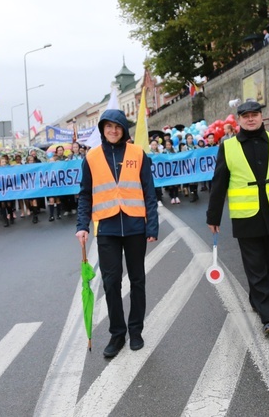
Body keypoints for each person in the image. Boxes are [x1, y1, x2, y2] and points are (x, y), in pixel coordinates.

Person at [206, 101, 269, 335]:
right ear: (238, 120)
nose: (251, 119)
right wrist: (214, 216)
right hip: (245, 217)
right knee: (255, 266)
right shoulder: (228, 147)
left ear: (261, 117)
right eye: (246, 116)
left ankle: (257, 298)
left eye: (255, 115)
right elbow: (218, 184)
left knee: (266, 265)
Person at [76, 109, 159, 358]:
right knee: (111, 282)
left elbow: (149, 192)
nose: (113, 131)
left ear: (124, 129)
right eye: (108, 126)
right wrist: (82, 226)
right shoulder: (91, 157)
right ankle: (117, 333)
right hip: (107, 228)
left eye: (117, 127)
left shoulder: (137, 154)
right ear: (102, 129)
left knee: (137, 280)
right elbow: (85, 195)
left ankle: (135, 331)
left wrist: (152, 226)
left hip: (135, 226)